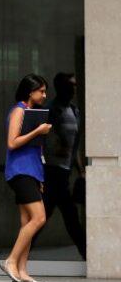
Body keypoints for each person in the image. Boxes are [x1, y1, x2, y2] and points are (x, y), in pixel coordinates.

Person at [1, 73, 53, 282]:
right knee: (39, 217)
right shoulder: (19, 111)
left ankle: (22, 271)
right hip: (20, 171)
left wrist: (39, 176)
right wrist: (38, 131)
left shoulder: (31, 112)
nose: (44, 94)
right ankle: (11, 261)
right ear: (30, 91)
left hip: (31, 172)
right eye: (41, 91)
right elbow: (12, 143)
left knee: (26, 221)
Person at [43, 72, 86, 259]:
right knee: (68, 218)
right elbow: (43, 138)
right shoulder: (51, 109)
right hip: (52, 171)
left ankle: (19, 255)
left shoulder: (75, 111)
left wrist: (81, 170)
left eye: (75, 85)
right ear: (61, 87)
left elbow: (73, 144)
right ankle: (87, 255)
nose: (75, 88)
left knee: (44, 217)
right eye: (71, 85)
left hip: (65, 172)